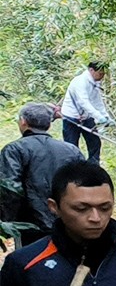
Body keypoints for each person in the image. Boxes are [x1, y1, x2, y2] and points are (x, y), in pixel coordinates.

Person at [0, 105, 72, 246]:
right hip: (66, 220)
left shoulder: (14, 150)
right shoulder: (71, 150)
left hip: (29, 223)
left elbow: (10, 189)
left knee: (30, 261)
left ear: (23, 122)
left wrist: (7, 222)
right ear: (49, 125)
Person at [57, 61, 110, 159]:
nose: (102, 76)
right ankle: (73, 169)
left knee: (95, 143)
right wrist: (98, 116)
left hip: (86, 117)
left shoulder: (95, 83)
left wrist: (105, 116)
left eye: (103, 73)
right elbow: (83, 102)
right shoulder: (80, 82)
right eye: (100, 73)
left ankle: (94, 167)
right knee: (71, 146)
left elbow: (97, 100)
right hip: (71, 117)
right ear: (91, 70)